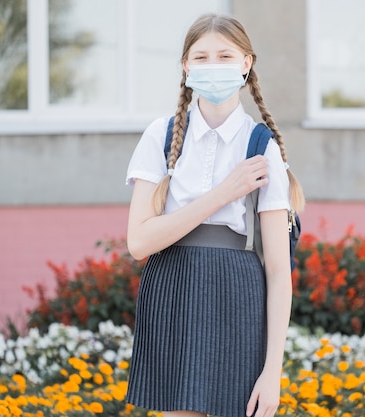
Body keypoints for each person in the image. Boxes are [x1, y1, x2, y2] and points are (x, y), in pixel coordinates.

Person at [124, 13, 305, 417]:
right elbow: (139, 243)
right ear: (186, 67)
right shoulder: (160, 135)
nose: (213, 66)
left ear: (246, 63)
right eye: (201, 57)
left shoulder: (262, 146)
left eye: (225, 56)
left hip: (239, 295)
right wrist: (226, 192)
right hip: (174, 289)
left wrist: (272, 371)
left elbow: (278, 271)